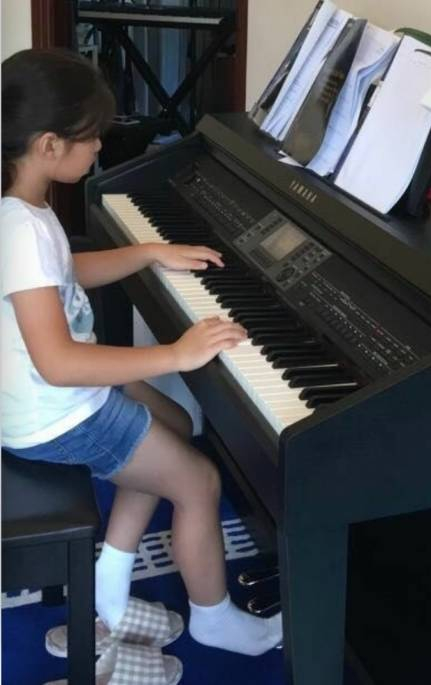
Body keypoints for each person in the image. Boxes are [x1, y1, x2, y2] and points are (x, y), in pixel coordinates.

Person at [1, 48, 282, 659]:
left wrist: (149, 252)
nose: (99, 146)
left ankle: (110, 586)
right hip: (56, 413)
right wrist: (176, 355)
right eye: (91, 137)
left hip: (53, 397)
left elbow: (65, 274)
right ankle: (214, 620)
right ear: (49, 144)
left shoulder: (24, 207)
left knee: (174, 423)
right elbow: (59, 364)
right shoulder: (21, 229)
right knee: (199, 480)